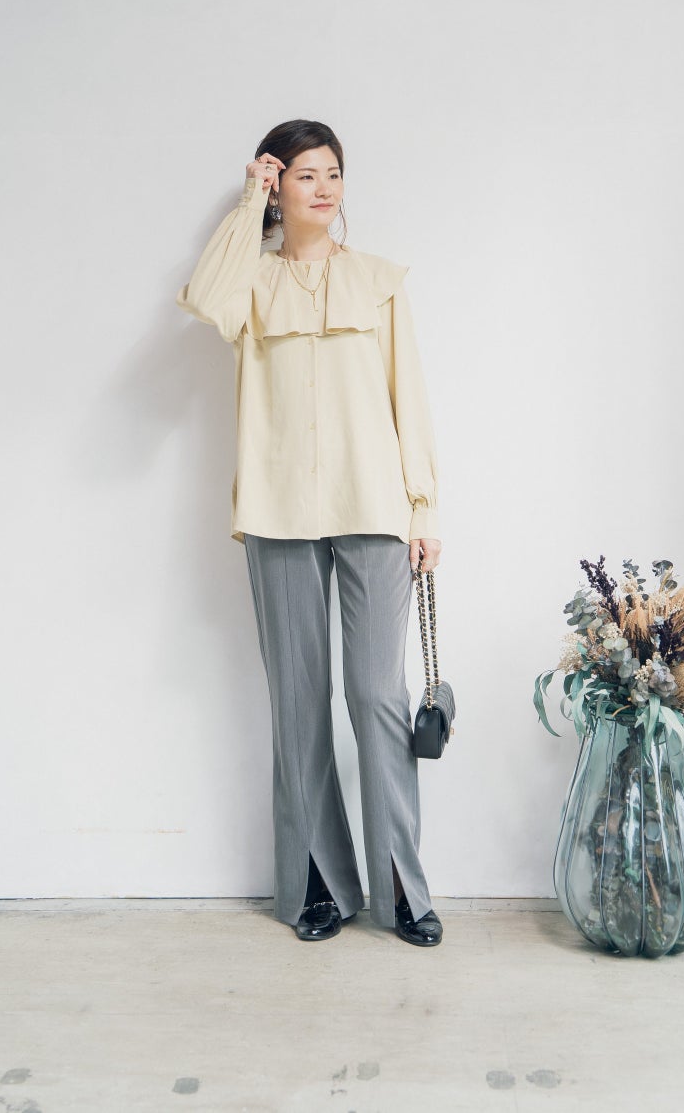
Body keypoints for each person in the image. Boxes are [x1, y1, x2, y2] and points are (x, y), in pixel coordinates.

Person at [175, 118, 444, 947]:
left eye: (332, 173)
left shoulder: (379, 282)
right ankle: (317, 886)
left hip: (375, 508)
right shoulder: (250, 283)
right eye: (303, 175)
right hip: (278, 513)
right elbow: (204, 299)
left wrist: (423, 507)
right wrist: (246, 200)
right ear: (277, 188)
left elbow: (408, 396)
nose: (323, 188)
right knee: (298, 702)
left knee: (376, 695)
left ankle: (401, 888)